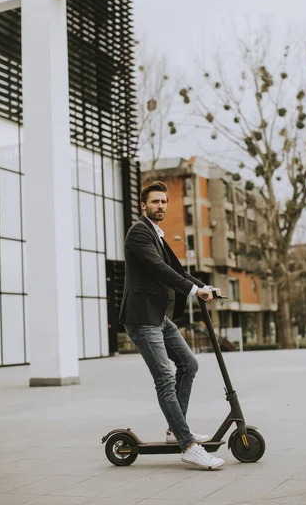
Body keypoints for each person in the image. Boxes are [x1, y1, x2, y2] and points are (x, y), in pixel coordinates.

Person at [119, 181, 225, 470]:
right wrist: (193, 292)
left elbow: (177, 270)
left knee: (189, 365)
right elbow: (159, 269)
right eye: (155, 202)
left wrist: (205, 286)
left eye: (164, 202)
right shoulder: (139, 232)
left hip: (157, 316)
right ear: (143, 205)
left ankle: (173, 432)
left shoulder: (156, 234)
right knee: (165, 375)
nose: (161, 206)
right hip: (141, 318)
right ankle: (188, 445)